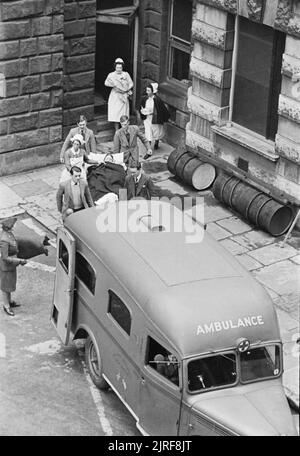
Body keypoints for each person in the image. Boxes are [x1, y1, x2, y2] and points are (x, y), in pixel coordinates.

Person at [0, 218, 27, 316]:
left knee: (9, 285)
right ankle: (6, 305)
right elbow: (5, 257)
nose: (14, 226)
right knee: (5, 287)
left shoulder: (9, 234)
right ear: (8, 227)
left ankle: (9, 301)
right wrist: (19, 261)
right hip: (6, 267)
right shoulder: (4, 239)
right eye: (12, 225)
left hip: (11, 266)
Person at [104, 58, 134, 132]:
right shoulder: (111, 75)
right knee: (116, 113)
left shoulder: (125, 74)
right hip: (115, 96)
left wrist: (126, 88)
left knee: (123, 113)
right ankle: (117, 131)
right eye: (117, 67)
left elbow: (131, 83)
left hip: (123, 96)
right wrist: (114, 85)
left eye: (120, 68)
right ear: (115, 67)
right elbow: (106, 83)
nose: (119, 69)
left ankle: (124, 130)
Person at [140, 82, 170, 150]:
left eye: (148, 91)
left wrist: (154, 113)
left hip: (155, 119)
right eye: (146, 90)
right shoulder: (145, 98)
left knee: (156, 132)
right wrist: (142, 111)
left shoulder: (157, 100)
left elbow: (161, 109)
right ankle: (149, 149)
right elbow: (141, 106)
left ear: (153, 91)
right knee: (148, 134)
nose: (147, 92)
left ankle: (156, 142)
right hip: (147, 119)